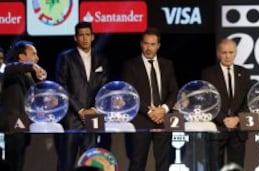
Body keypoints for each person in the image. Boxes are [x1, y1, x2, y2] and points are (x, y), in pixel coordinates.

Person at [55, 22, 110, 171]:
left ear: (92, 37)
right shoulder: (66, 57)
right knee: (67, 162)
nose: (85, 38)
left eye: (87, 35)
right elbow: (61, 86)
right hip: (72, 117)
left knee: (90, 161)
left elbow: (104, 88)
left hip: (93, 117)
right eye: (81, 35)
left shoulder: (101, 58)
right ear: (75, 38)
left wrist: (93, 109)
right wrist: (80, 110)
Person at [122, 28, 178, 171]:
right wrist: (150, 112)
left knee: (164, 164)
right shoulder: (130, 65)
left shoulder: (167, 64)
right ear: (141, 44)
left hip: (163, 119)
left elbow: (174, 91)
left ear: (158, 45)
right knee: (137, 162)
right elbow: (130, 94)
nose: (149, 48)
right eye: (146, 44)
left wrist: (163, 109)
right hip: (141, 119)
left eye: (152, 44)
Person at [201, 39, 250, 170]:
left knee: (237, 168)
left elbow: (248, 101)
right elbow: (208, 102)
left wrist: (237, 119)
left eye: (230, 52)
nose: (227, 56)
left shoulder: (244, 73)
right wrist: (224, 119)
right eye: (224, 52)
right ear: (218, 54)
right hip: (217, 129)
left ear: (235, 53)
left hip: (238, 130)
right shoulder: (208, 73)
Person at [1, 40, 47, 171]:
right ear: (21, 56)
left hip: (23, 128)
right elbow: (9, 68)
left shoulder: (26, 75)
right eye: (33, 54)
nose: (37, 58)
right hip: (12, 128)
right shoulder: (9, 71)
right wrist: (31, 66)